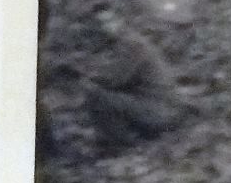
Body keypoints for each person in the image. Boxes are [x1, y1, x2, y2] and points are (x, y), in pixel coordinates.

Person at [80, 8, 189, 152]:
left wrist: (90, 77)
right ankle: (119, 140)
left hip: (161, 110)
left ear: (121, 21)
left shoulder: (131, 43)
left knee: (96, 95)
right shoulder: (125, 42)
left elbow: (116, 80)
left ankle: (125, 145)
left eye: (109, 21)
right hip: (157, 106)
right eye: (100, 24)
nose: (105, 27)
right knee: (103, 96)